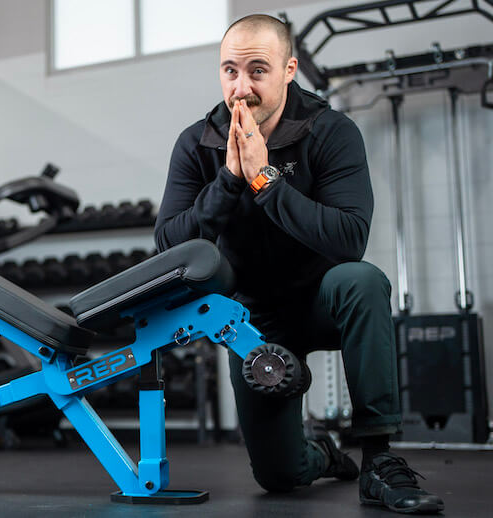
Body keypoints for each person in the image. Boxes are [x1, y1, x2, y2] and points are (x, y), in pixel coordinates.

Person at [154, 14, 444, 515]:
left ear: (289, 70)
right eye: (229, 71)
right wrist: (228, 180)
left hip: (322, 300)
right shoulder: (197, 143)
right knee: (279, 477)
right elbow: (168, 246)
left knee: (361, 280)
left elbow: (350, 239)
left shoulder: (329, 130)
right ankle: (323, 454)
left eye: (257, 70)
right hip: (254, 323)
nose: (240, 88)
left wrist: (265, 180)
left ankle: (378, 460)